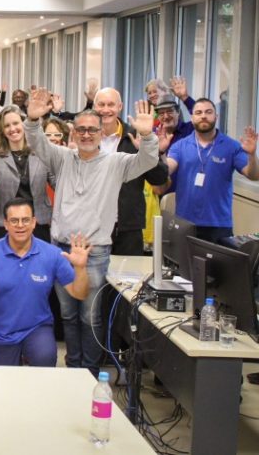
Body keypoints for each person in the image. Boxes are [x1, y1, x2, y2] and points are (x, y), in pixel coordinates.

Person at [24, 89, 159, 373]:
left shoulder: (116, 162)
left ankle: (90, 372)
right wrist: (33, 119)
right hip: (62, 251)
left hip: (95, 252)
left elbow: (147, 161)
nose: (86, 135)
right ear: (73, 133)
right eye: (81, 130)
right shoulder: (62, 158)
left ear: (101, 132)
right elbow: (36, 142)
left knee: (90, 317)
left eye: (92, 130)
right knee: (68, 315)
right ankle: (74, 368)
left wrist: (147, 136)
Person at [0, 198, 90, 366]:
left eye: (25, 220)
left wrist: (80, 268)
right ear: (5, 224)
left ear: (34, 222)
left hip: (37, 328)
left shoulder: (52, 254)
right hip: (1, 331)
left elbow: (80, 293)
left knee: (45, 357)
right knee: (5, 380)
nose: (20, 225)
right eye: (14, 220)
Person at [165, 98, 259, 243]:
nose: (203, 116)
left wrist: (252, 155)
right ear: (192, 118)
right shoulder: (180, 146)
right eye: (198, 113)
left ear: (216, 116)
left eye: (208, 112)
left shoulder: (231, 146)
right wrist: (159, 152)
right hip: (185, 222)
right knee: (184, 259)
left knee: (220, 259)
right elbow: (166, 170)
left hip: (219, 224)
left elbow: (253, 175)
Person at [94, 88, 168, 255]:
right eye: (101, 104)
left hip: (128, 228)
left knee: (129, 271)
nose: (106, 109)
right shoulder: (86, 137)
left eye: (111, 104)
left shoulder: (137, 135)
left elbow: (159, 178)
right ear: (94, 106)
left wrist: (146, 149)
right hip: (91, 225)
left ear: (120, 107)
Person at [0, 105, 53, 242]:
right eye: (7, 126)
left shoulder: (42, 153)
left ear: (24, 124)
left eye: (16, 123)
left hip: (38, 223)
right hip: (4, 224)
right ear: (2, 131)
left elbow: (57, 184)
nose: (12, 129)